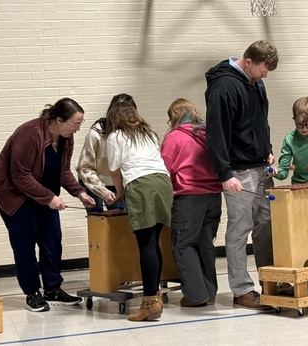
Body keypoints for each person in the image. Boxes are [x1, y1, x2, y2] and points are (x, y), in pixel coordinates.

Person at [0, 98, 94, 312]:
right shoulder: (29, 134)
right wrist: (49, 198)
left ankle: (53, 289)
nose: (78, 129)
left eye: (81, 123)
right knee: (25, 245)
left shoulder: (65, 138)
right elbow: (20, 175)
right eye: (75, 123)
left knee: (52, 241)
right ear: (59, 119)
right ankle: (32, 293)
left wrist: (79, 192)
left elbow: (64, 171)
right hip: (15, 197)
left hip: (43, 196)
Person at [205, 40, 278, 309]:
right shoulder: (223, 87)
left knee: (267, 224)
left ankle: (271, 280)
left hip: (260, 166)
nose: (266, 74)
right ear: (248, 62)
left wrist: (268, 149)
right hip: (238, 171)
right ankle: (242, 289)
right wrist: (224, 173)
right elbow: (216, 133)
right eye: (264, 69)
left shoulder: (256, 83)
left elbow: (262, 120)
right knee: (239, 229)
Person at [103, 101, 172, 321]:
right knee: (155, 241)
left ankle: (149, 301)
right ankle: (156, 297)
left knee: (146, 244)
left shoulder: (115, 136)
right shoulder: (149, 133)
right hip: (162, 183)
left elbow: (114, 171)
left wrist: (120, 192)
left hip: (141, 185)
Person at [160, 98, 222, 308]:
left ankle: (196, 295)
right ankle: (210, 292)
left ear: (174, 117)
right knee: (205, 244)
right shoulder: (211, 133)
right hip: (214, 194)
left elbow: (164, 170)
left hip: (189, 197)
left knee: (183, 243)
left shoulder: (175, 138)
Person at [77, 94, 134, 213]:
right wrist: (104, 192)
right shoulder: (95, 134)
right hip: (93, 180)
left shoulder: (132, 133)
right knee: (98, 220)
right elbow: (85, 168)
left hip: (117, 183)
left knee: (120, 219)